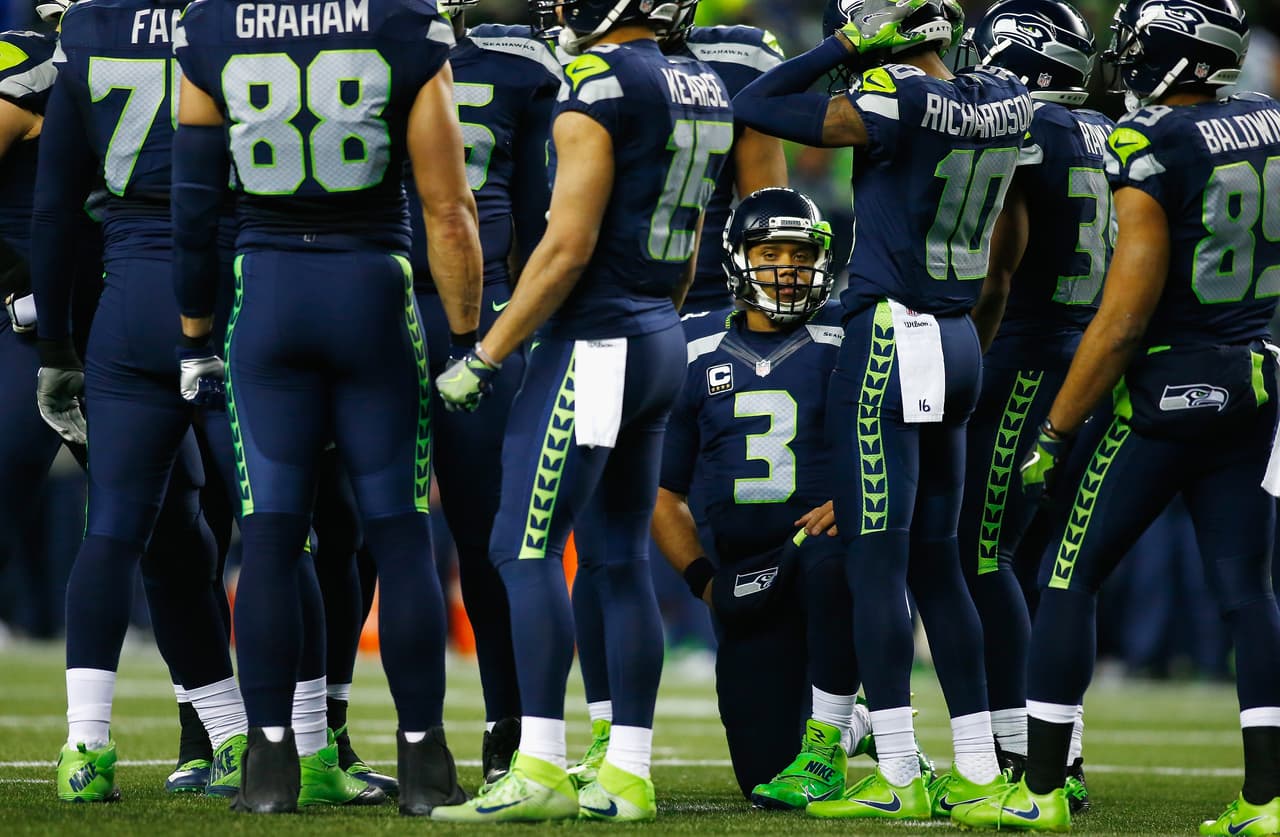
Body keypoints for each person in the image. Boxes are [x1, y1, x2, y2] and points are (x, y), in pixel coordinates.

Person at [954, 0, 1280, 833]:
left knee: (1067, 573)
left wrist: (1058, 429)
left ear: (1168, 52)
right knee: (1249, 591)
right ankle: (1269, 798)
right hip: (1257, 379)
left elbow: (1125, 318)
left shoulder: (1152, 144)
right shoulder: (1271, 123)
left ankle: (1044, 788)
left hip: (1167, 390)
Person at [171, 0, 482, 814]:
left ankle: (270, 766)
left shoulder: (213, 25)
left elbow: (195, 207)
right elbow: (450, 210)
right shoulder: (405, 23)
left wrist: (196, 333)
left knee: (270, 535)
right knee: (402, 533)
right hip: (372, 291)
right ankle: (422, 761)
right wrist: (465, 340)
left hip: (265, 292)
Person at [431, 0, 734, 822]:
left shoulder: (599, 80)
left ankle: (540, 765)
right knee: (616, 556)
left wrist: (488, 351)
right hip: (656, 331)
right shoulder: (701, 79)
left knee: (523, 547)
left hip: (595, 342)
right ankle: (627, 772)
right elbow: (695, 228)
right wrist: (656, 320)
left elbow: (565, 246)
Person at [733, 0, 1032, 822]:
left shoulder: (893, 98)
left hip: (891, 340)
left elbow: (754, 102)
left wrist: (842, 44)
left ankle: (899, 769)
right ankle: (978, 770)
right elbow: (1012, 243)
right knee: (940, 561)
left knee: (876, 565)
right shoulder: (1003, 93)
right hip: (962, 336)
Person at [27, 0, 264, 803]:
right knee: (278, 525)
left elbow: (56, 207)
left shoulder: (89, 30)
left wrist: (57, 346)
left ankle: (85, 747)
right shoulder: (238, 24)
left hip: (125, 294)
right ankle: (289, 739)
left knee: (116, 525)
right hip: (235, 285)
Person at [566, 0, 789, 787]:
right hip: (674, 322)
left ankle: (823, 713)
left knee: (657, 532)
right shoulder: (721, 64)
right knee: (610, 540)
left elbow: (768, 215)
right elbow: (772, 216)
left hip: (660, 322)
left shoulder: (615, 69)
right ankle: (610, 736)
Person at [652, 187, 870, 807]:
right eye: (770, 252)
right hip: (746, 576)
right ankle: (858, 723)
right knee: (762, 776)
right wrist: (704, 582)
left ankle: (837, 731)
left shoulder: (848, 334)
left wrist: (861, 500)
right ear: (737, 258)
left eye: (801, 255)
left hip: (828, 554)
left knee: (834, 559)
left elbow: (903, 438)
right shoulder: (693, 347)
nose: (787, 269)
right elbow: (663, 494)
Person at [956, 0, 1114, 811]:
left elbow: (997, 269)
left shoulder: (1026, 130)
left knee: (984, 553)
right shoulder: (1095, 131)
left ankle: (1025, 753)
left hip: (1026, 356)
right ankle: (1060, 742)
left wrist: (967, 359)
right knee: (1041, 563)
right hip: (1082, 357)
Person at [411, 0, 565, 788]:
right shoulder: (525, 65)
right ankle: (509, 727)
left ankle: (312, 729)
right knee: (489, 537)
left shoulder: (371, 41)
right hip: (486, 307)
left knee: (366, 532)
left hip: (372, 292)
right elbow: (542, 222)